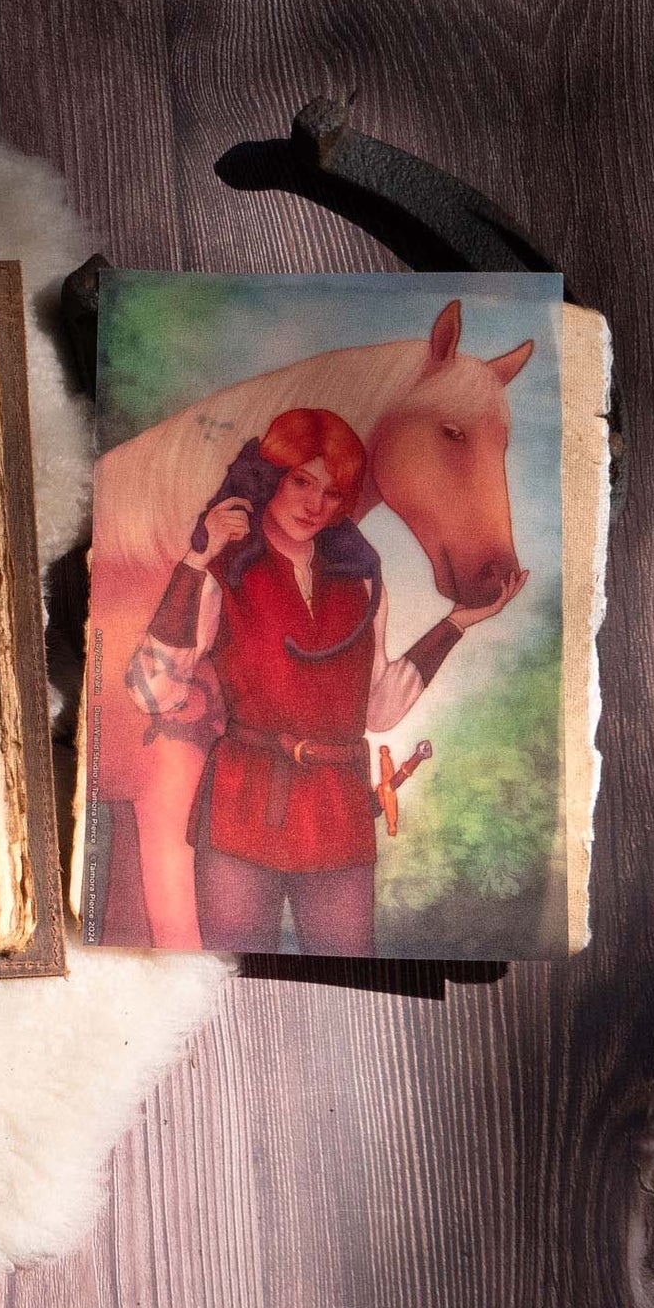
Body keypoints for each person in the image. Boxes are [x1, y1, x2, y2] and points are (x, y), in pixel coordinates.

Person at [126, 406, 524, 954]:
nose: (315, 505)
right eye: (301, 482)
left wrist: (456, 623)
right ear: (271, 480)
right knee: (229, 981)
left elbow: (378, 710)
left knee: (347, 975)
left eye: (333, 493)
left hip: (338, 820)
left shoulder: (360, 583)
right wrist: (197, 560)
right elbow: (151, 690)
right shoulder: (224, 570)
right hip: (241, 815)